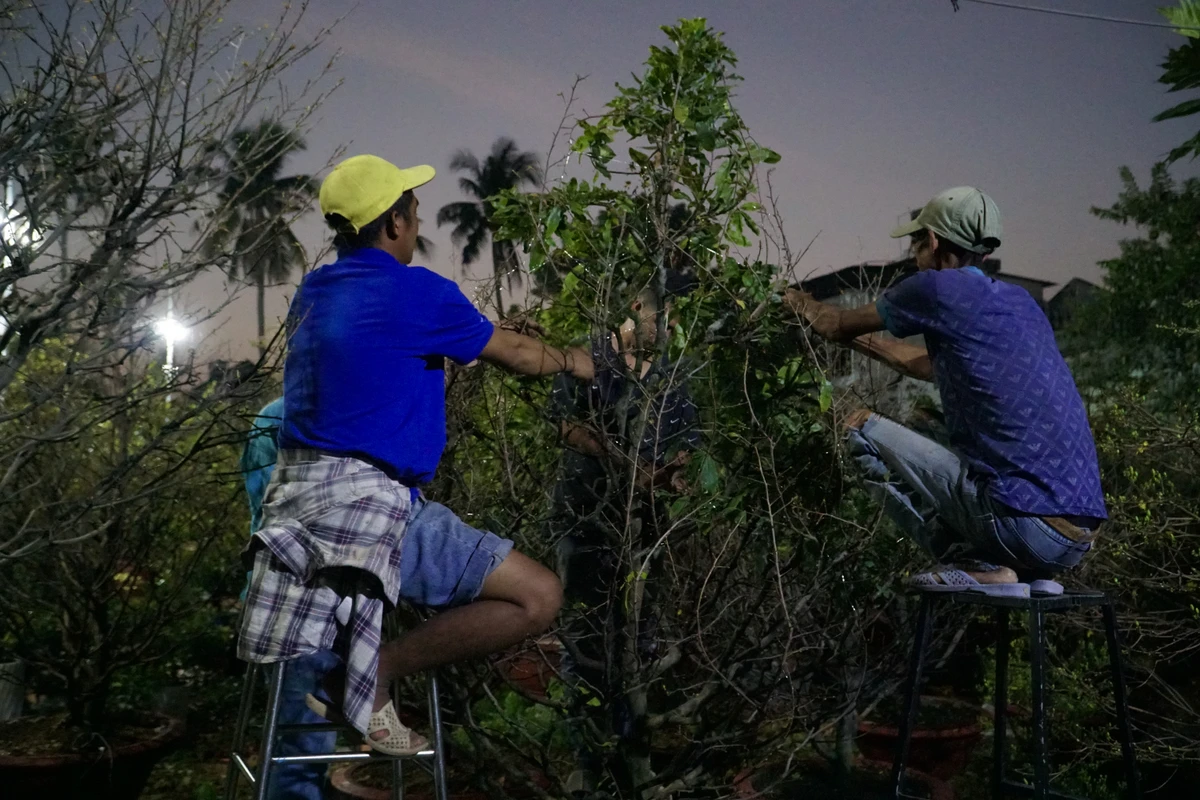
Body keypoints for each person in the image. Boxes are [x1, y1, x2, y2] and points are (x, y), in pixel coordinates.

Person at [238, 154, 594, 757]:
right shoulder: (418, 293)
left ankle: (351, 675)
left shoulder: (315, 292)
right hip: (362, 505)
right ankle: (372, 671)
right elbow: (521, 356)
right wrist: (593, 362)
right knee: (540, 596)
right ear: (395, 225)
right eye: (413, 209)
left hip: (295, 507)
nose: (419, 218)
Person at [783, 187, 1106, 597]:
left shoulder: (934, 288)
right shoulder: (1021, 304)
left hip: (1023, 527)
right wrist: (855, 341)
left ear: (933, 242)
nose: (913, 257)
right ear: (984, 252)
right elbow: (918, 364)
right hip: (1077, 540)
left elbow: (832, 324)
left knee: (859, 430)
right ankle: (1019, 572)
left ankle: (975, 562)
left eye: (916, 245)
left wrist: (798, 302)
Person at [549, 272, 700, 793]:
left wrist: (676, 474)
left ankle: (632, 759)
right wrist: (624, 464)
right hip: (585, 517)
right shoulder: (588, 360)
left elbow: (688, 444)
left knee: (640, 638)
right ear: (638, 307)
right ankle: (589, 762)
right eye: (667, 318)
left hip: (648, 530)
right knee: (586, 639)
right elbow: (566, 424)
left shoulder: (672, 378)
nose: (672, 330)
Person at [240, 398, 340, 800]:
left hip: (288, 592)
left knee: (303, 744)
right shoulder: (295, 413)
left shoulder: (277, 411)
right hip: (300, 597)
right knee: (303, 748)